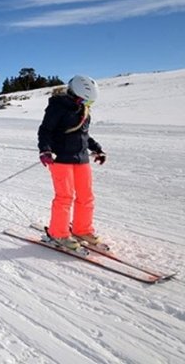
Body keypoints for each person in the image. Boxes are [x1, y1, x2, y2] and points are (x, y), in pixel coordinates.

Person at [37, 75, 107, 250]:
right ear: (75, 94)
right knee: (64, 197)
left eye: (89, 103)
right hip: (61, 158)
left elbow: (83, 134)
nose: (87, 105)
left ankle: (82, 229)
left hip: (81, 158)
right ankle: (58, 233)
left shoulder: (83, 110)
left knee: (86, 196)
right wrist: (45, 150)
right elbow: (45, 130)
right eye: (85, 101)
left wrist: (97, 149)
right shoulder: (57, 106)